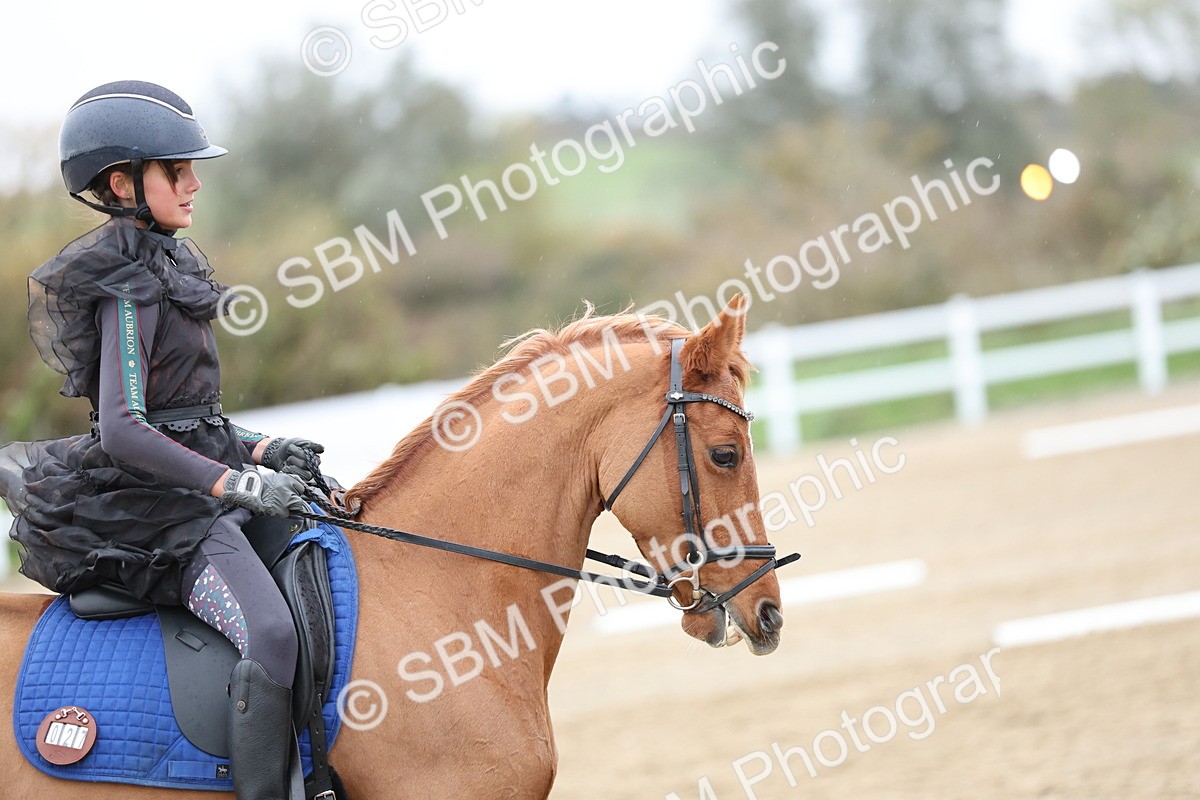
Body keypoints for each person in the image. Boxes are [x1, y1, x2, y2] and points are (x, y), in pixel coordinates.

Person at [0, 81, 319, 800]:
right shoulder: (125, 281)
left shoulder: (168, 260)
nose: (195, 182)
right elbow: (122, 429)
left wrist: (264, 451)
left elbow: (187, 416)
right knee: (270, 633)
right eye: (177, 170)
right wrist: (235, 484)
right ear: (122, 183)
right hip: (159, 510)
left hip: (192, 484)